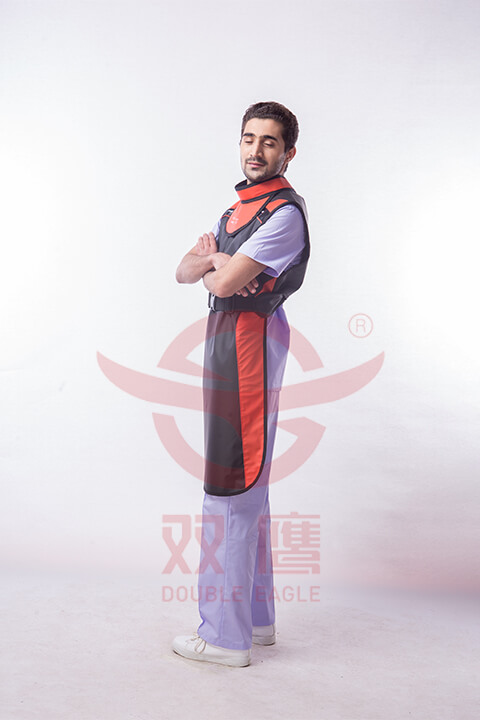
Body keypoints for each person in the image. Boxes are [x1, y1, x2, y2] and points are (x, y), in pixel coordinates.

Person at [173, 101, 310, 666]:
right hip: (226, 339)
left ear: (288, 152)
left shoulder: (284, 214)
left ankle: (224, 637)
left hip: (250, 344)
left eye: (269, 142)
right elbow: (183, 270)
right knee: (248, 482)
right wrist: (214, 265)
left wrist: (216, 266)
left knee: (233, 480)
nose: (256, 150)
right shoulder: (236, 211)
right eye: (249, 139)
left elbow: (224, 282)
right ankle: (255, 621)